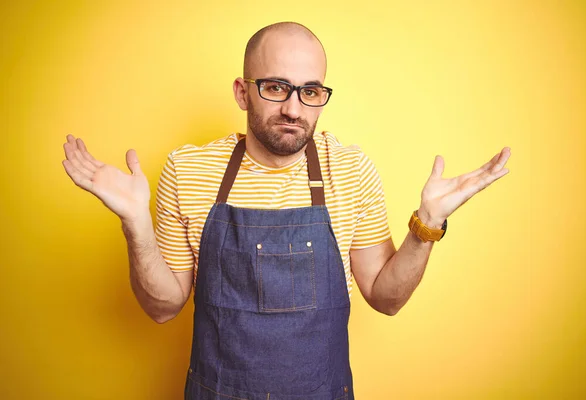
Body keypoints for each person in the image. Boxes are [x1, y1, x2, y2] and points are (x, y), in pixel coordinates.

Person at [62, 21, 511, 400]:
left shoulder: (350, 169)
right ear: (242, 92)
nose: (294, 109)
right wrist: (135, 224)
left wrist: (427, 225)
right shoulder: (188, 170)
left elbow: (385, 297)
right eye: (276, 87)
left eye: (311, 91)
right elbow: (162, 308)